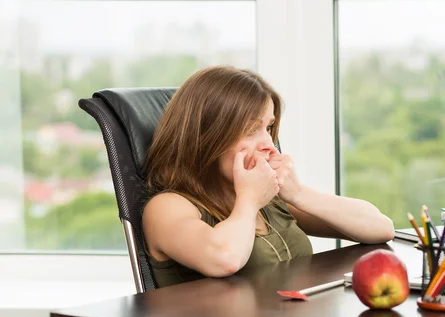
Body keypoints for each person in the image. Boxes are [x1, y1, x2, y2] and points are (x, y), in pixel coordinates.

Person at [142, 65, 395, 288]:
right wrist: (249, 200)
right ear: (207, 136)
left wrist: (299, 194)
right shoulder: (166, 207)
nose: (269, 144)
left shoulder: (267, 199)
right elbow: (224, 258)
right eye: (251, 129)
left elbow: (380, 228)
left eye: (269, 127)